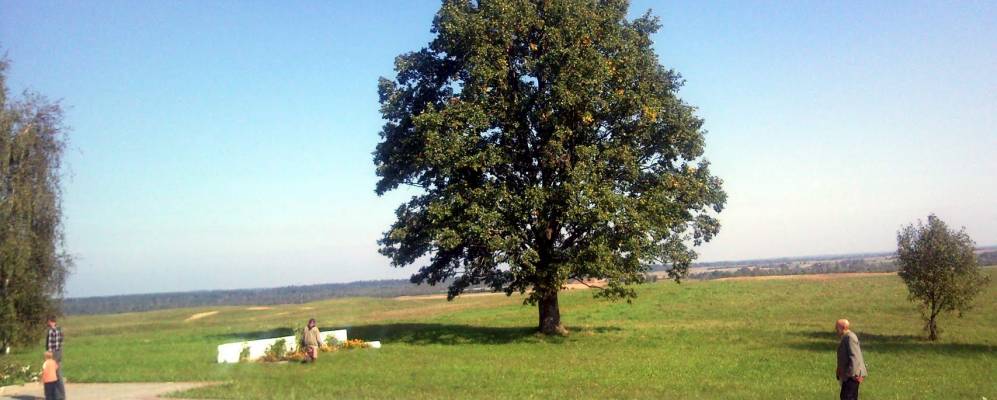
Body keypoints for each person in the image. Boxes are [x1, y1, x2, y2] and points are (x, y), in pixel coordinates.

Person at [835, 319, 867, 400]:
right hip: (848, 375)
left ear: (843, 327)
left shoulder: (850, 337)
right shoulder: (846, 337)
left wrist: (850, 375)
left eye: (837, 327)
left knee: (847, 397)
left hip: (852, 376)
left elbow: (855, 356)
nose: (836, 330)